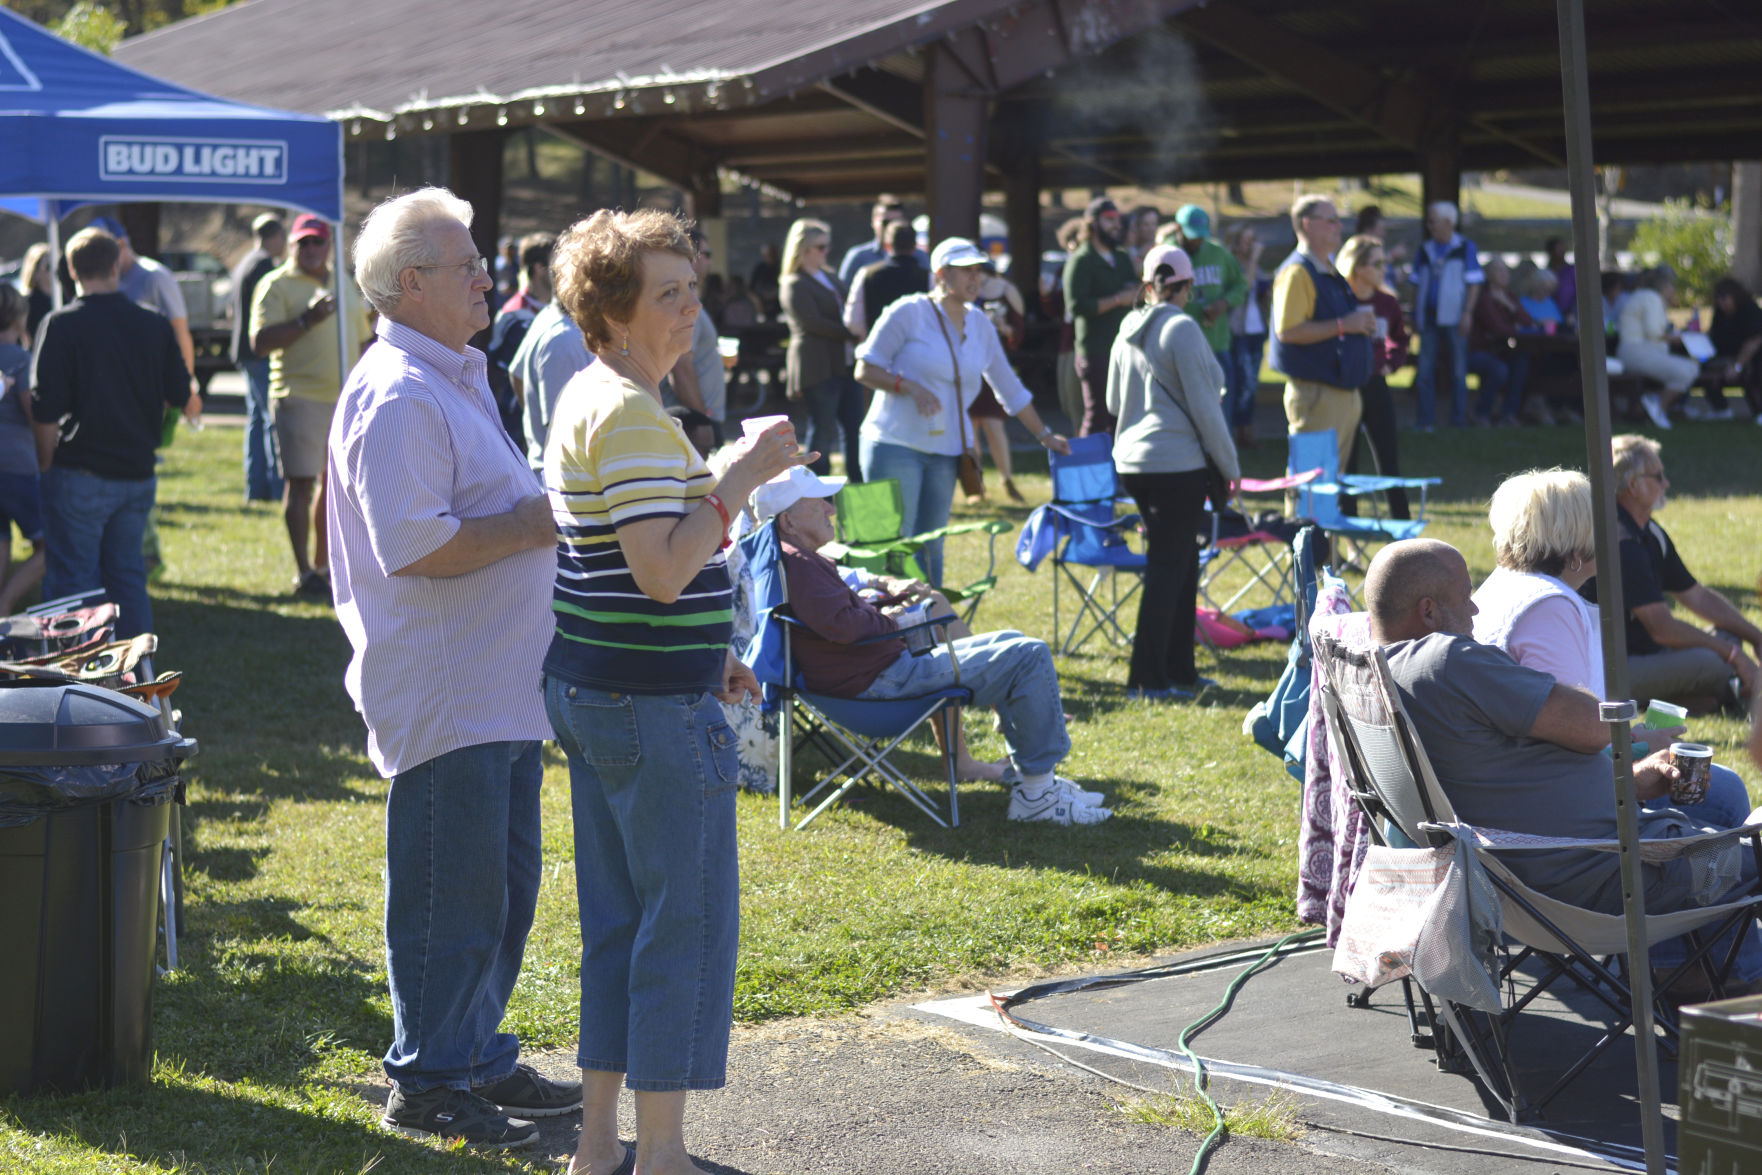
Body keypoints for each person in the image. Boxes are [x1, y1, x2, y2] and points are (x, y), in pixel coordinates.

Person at [539, 207, 804, 1175]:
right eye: (668, 293)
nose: (692, 307)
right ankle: (660, 1155)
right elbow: (660, 568)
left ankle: (598, 1147)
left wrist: (706, 657)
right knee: (678, 921)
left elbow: (629, 571)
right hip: (645, 708)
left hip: (605, 687)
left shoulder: (590, 393)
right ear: (609, 310)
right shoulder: (632, 413)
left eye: (692, 286)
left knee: (618, 921)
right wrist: (735, 476)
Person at [327, 187, 576, 1149]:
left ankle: (471, 1052)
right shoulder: (398, 391)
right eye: (467, 262)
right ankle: (428, 1078)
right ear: (410, 284)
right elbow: (415, 543)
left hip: (495, 689)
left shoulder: (449, 375)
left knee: (501, 890)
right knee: (451, 893)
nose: (486, 274)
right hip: (448, 691)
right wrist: (527, 520)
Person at [1367, 538, 1762, 1002]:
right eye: (1464, 597)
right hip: (1598, 879)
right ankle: (1736, 985)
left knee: (1721, 804)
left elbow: (1505, 786)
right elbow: (1597, 725)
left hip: (1515, 879)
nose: (1475, 609)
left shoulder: (1383, 673)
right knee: (1745, 831)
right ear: (1429, 611)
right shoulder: (1445, 660)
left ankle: (1696, 970)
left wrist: (1629, 784)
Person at [759, 464, 1110, 825]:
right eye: (819, 503)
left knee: (1013, 641)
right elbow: (844, 626)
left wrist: (881, 607)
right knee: (1029, 654)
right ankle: (1037, 794)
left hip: (876, 671)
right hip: (880, 682)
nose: (831, 509)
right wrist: (895, 619)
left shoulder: (795, 558)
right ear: (788, 520)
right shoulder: (799, 563)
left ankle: (1038, 783)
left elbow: (840, 619)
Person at [1472, 469, 1753, 831]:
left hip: (1522, 787)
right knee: (1727, 793)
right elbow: (1568, 740)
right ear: (1577, 540)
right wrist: (1637, 745)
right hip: (1559, 810)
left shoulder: (1503, 586)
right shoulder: (1548, 609)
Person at [854, 237, 1070, 586]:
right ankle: (884, 632)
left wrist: (1045, 435)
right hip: (891, 444)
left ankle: (929, 631)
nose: (976, 278)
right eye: (965, 270)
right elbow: (864, 369)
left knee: (932, 547)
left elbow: (1010, 389)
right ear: (941, 274)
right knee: (890, 546)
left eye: (978, 270)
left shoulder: (981, 324)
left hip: (946, 451)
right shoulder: (907, 311)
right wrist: (908, 386)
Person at [29, 226, 198, 639]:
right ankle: (138, 672)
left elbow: (44, 408)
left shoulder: (61, 324)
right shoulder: (153, 325)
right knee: (126, 578)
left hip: (81, 473)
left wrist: (46, 465)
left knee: (75, 584)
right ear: (115, 266)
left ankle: (80, 685)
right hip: (136, 471)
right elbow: (181, 392)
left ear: (71, 271)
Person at [1105, 243, 1238, 699]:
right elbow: (1207, 404)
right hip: (1176, 464)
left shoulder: (1127, 326)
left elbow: (1110, 402)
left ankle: (1180, 669)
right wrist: (1229, 465)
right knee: (1170, 566)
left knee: (1182, 564)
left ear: (1146, 285)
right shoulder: (1182, 327)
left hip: (1134, 462)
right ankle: (1146, 678)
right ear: (1187, 287)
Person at [1580, 435, 1762, 711]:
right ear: (1634, 486)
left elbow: (1697, 596)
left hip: (1648, 653)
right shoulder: (1622, 541)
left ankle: (1700, 700)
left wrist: (1754, 636)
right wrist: (1735, 656)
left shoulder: (1648, 531)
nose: (1666, 483)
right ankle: (1722, 694)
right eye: (1658, 476)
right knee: (1716, 661)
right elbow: (1663, 629)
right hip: (1613, 669)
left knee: (1727, 637)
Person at [250, 213, 371, 598]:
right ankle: (304, 572)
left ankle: (326, 568)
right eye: (304, 243)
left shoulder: (344, 282)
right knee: (301, 485)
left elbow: (363, 335)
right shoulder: (276, 284)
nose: (312, 249)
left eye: (318, 242)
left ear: (329, 245)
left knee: (337, 487)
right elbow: (259, 342)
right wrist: (307, 320)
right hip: (299, 398)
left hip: (345, 399)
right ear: (292, 245)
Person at [1268, 194, 1375, 468]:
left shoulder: (1327, 269)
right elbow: (1288, 331)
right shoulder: (1297, 272)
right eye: (1331, 221)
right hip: (1316, 394)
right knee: (1310, 488)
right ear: (1308, 224)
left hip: (1338, 392)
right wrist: (1344, 326)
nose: (1339, 226)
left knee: (1329, 486)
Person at [779, 218, 864, 481]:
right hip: (819, 365)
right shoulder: (793, 282)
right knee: (822, 429)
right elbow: (811, 323)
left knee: (854, 427)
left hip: (845, 362)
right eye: (820, 246)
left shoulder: (828, 275)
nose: (826, 251)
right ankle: (815, 489)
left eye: (827, 246)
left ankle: (857, 482)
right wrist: (851, 333)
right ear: (803, 249)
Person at [1336, 234, 1411, 520]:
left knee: (1389, 462)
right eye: (1376, 263)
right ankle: (1349, 537)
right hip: (1346, 388)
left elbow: (1400, 340)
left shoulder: (1387, 302)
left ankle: (1405, 540)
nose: (1383, 268)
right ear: (1357, 266)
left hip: (1376, 386)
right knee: (1348, 463)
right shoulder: (1340, 301)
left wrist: (1391, 364)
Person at [87, 216, 200, 404]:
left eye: (104, 250)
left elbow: (180, 330)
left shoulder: (154, 277)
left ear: (121, 244)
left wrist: (185, 387)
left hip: (154, 385)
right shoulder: (106, 281)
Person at [1061, 197, 1137, 436]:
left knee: (1123, 418)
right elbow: (1076, 306)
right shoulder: (1081, 260)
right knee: (1097, 418)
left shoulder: (1122, 257)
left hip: (1125, 349)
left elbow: (1133, 290)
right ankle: (1089, 471)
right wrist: (1117, 300)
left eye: (1118, 220)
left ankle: (1120, 472)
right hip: (1096, 352)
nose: (1117, 225)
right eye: (1109, 220)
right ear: (1092, 223)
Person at [1407, 202, 1484, 430]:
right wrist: (1414, 313)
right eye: (1428, 221)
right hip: (1428, 318)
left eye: (1433, 221)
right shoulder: (1425, 249)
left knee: (1459, 372)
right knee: (1424, 371)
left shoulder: (1465, 247)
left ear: (1449, 222)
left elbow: (1474, 284)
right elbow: (1415, 284)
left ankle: (1458, 421)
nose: (1429, 226)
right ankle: (1425, 421)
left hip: (1455, 317)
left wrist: (1467, 313)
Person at [229, 213, 287, 502]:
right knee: (270, 419)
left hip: (242, 350)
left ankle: (256, 488)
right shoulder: (263, 265)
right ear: (274, 237)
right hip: (258, 351)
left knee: (255, 419)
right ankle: (276, 490)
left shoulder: (244, 263)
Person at [486, 232, 557, 442]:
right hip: (519, 433)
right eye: (556, 265)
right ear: (539, 268)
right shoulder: (515, 315)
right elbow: (508, 379)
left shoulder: (556, 311)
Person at [967, 266, 1029, 503]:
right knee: (970, 428)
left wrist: (1004, 328)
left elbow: (1020, 333)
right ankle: (976, 485)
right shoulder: (966, 293)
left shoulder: (1006, 290)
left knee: (994, 425)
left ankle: (1007, 479)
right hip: (970, 367)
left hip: (995, 365)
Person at [1164, 205, 1246, 384]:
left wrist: (1224, 303)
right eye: (1193, 235)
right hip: (1179, 346)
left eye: (1202, 235)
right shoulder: (1165, 255)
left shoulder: (1218, 252)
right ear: (1178, 229)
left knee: (1222, 407)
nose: (1198, 240)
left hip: (1216, 344)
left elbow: (1240, 285)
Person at [508, 298, 591, 474]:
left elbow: (516, 373)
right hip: (563, 485)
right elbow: (566, 434)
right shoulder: (564, 340)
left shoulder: (549, 316)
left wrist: (533, 420)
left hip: (555, 478)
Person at [0, 285, 44, 613]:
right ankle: (7, 602)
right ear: (18, 321)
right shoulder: (20, 360)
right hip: (17, 465)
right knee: (52, 544)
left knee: (1, 539)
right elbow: (34, 413)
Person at [1617, 265, 1700, 430]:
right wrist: (1682, 339)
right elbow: (1654, 332)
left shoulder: (1644, 296)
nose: (1673, 291)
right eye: (1672, 287)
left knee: (1691, 368)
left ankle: (1655, 404)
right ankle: (1658, 406)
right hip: (1637, 352)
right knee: (1686, 370)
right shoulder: (1651, 298)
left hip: (1637, 351)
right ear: (1665, 286)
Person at [662, 227, 724, 438]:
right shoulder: (685, 306)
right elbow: (681, 366)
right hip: (693, 424)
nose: (709, 261)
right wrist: (703, 421)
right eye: (706, 255)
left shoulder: (691, 301)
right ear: (691, 257)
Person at [1466, 258, 1535, 427]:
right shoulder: (1483, 298)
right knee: (1498, 369)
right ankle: (1481, 414)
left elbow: (1528, 322)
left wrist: (1510, 307)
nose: (1504, 274)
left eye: (1506, 270)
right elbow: (1497, 328)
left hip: (1502, 350)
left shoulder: (1510, 296)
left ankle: (1508, 415)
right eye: (1499, 270)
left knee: (1522, 362)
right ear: (1488, 275)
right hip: (1479, 350)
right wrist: (1514, 327)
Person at [1223, 222, 1269, 450]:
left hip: (1255, 330)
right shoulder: (1231, 264)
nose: (1250, 245)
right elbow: (1246, 286)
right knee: (1240, 382)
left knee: (1251, 383)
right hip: (1237, 331)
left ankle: (1246, 429)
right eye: (1246, 240)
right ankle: (1238, 431)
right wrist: (1254, 260)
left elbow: (1261, 290)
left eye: (1253, 239)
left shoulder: (1254, 265)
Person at [843, 220, 928, 340]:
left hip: (878, 348)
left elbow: (853, 322)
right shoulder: (928, 277)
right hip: (917, 350)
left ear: (887, 245)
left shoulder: (867, 274)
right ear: (915, 247)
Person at [1704, 276, 1762, 424]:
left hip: (1751, 357)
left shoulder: (1750, 310)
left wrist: (1737, 366)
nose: (1721, 302)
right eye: (1718, 298)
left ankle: (1759, 410)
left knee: (1754, 369)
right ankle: (1721, 409)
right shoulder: (1720, 314)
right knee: (1704, 368)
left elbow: (1754, 340)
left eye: (1724, 297)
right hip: (1725, 355)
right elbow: (1714, 336)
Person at [836, 194, 928, 284]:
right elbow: (843, 292)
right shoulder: (859, 257)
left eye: (895, 223)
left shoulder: (919, 256)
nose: (890, 228)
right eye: (885, 222)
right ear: (873, 222)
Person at [19, 242, 54, 341]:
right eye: (48, 266)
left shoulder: (69, 298)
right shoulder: (26, 304)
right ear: (35, 273)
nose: (54, 270)